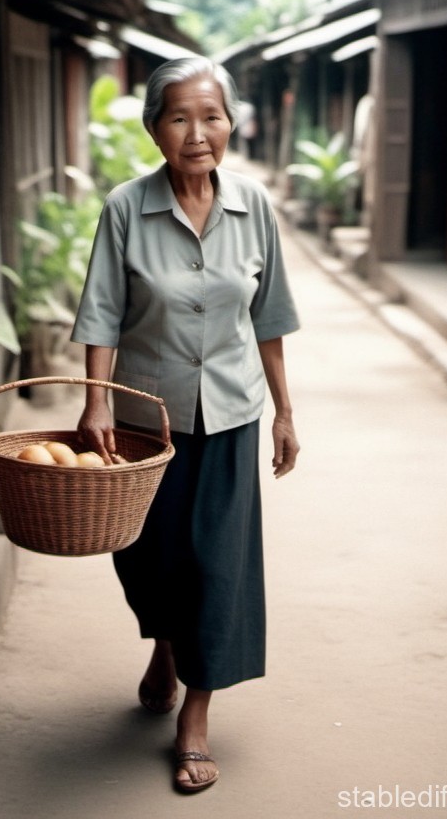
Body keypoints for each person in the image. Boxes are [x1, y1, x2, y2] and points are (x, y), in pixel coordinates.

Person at [71, 57, 301, 793]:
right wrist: (96, 399)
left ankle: (196, 714)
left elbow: (269, 316)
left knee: (216, 565)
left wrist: (286, 411)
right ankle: (165, 644)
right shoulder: (124, 208)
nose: (197, 134)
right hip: (147, 417)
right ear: (153, 128)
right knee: (147, 559)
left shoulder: (254, 204)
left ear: (232, 123)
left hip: (232, 412)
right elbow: (103, 310)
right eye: (179, 117)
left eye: (212, 117)